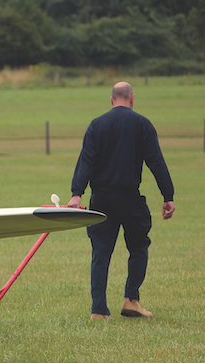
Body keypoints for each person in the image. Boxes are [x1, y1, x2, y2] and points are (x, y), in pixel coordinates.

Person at [68, 81, 174, 320]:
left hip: (101, 198)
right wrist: (168, 196)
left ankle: (98, 309)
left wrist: (77, 193)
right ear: (132, 99)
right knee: (138, 247)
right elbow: (156, 162)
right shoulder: (142, 124)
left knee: (101, 252)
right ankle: (131, 300)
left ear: (111, 100)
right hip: (129, 197)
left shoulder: (97, 124)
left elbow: (86, 161)